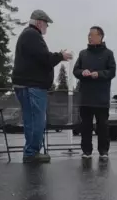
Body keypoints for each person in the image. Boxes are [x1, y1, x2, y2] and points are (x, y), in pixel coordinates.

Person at [10, 9, 73, 163]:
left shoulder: (27, 35)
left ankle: (30, 151)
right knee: (37, 120)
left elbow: (39, 58)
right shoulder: (32, 35)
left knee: (31, 119)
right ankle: (32, 152)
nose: (47, 27)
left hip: (25, 85)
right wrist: (61, 56)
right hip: (32, 86)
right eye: (46, 24)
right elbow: (45, 58)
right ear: (39, 22)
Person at [73, 26, 116, 160]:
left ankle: (103, 151)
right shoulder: (83, 54)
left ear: (100, 37)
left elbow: (112, 72)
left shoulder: (108, 54)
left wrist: (100, 74)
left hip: (101, 98)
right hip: (85, 97)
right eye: (88, 35)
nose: (89, 37)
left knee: (102, 126)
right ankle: (86, 151)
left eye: (92, 35)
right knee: (85, 126)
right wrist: (82, 72)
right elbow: (76, 71)